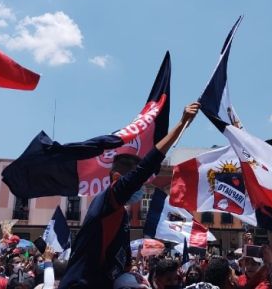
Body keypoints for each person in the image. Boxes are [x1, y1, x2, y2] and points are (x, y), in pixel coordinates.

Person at [59, 102, 201, 289]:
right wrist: (181, 123)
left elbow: (120, 262)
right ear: (117, 179)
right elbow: (147, 166)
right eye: (136, 182)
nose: (140, 188)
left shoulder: (122, 216)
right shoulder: (107, 201)